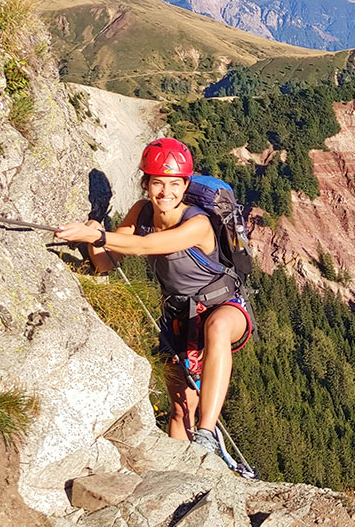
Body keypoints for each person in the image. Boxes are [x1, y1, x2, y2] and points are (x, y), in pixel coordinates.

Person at [56, 138, 252, 455]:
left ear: (185, 185)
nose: (166, 193)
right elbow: (107, 261)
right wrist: (95, 234)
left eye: (175, 184)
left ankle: (207, 432)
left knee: (216, 328)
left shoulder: (197, 224)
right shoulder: (142, 212)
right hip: (178, 320)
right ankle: (180, 470)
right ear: (146, 183)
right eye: (158, 183)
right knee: (179, 409)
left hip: (224, 307)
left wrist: (99, 235)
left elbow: (145, 247)